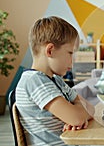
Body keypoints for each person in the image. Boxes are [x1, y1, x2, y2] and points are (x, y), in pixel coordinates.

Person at [16, 16, 94, 145]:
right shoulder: (34, 81)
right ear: (50, 50)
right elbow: (77, 118)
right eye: (70, 53)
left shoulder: (56, 80)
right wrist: (77, 116)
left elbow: (90, 108)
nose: (72, 62)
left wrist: (78, 116)